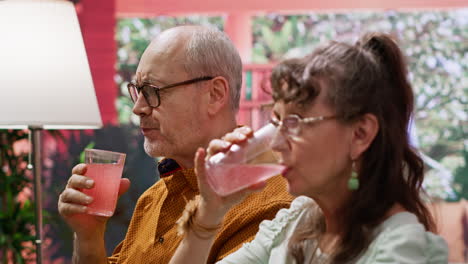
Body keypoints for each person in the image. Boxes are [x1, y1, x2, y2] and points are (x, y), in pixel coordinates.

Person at [169, 33, 449, 264]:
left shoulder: (402, 248)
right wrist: (210, 211)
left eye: (294, 122)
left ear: (360, 134)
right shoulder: (298, 219)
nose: (276, 143)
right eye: (276, 122)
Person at [57, 25, 292, 264]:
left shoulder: (271, 204)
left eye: (151, 91)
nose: (138, 108)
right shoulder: (153, 199)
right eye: (137, 91)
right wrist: (88, 236)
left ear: (215, 94)